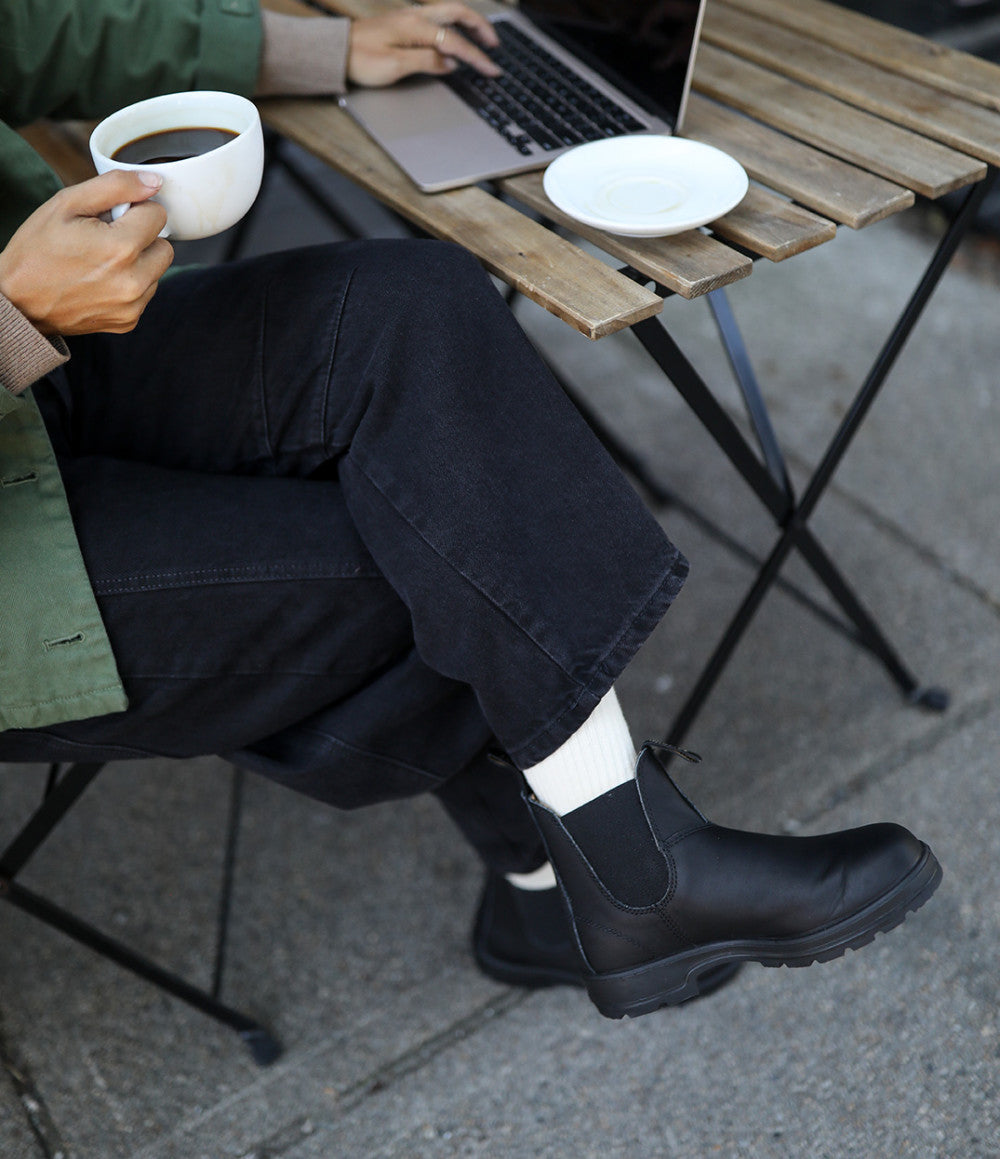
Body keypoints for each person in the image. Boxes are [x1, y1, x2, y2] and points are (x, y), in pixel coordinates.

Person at [0, 0, 940, 1020]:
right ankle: (631, 879)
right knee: (430, 543)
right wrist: (14, 320)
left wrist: (314, 47)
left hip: (51, 366)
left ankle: (556, 892)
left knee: (410, 313)